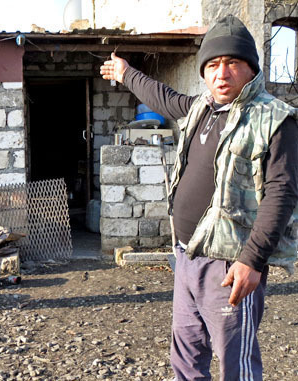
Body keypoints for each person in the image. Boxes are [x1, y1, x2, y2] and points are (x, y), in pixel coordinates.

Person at [100, 15, 298, 380]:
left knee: (235, 365)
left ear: (250, 69)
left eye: (232, 63)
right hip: (186, 255)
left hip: (230, 266)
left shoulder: (273, 119)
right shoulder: (201, 108)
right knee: (186, 358)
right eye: (212, 65)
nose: (221, 73)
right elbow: (163, 97)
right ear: (204, 72)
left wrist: (252, 261)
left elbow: (281, 192)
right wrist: (125, 73)